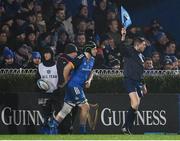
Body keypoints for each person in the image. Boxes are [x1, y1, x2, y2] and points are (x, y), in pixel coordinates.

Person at [48, 41, 97, 134]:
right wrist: (66, 81)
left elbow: (92, 72)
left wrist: (89, 80)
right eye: (94, 48)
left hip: (79, 87)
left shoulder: (92, 60)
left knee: (66, 109)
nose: (96, 50)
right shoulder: (80, 58)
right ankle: (83, 131)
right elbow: (67, 68)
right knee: (85, 106)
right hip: (74, 86)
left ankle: (52, 125)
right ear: (88, 49)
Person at [119, 28, 148, 134]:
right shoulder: (130, 51)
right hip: (129, 80)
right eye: (143, 44)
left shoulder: (142, 56)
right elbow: (121, 48)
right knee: (135, 103)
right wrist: (123, 36)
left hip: (138, 82)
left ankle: (128, 128)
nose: (145, 46)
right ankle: (125, 127)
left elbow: (141, 71)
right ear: (138, 44)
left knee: (135, 106)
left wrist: (144, 84)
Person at [36, 47, 58, 133]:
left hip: (55, 93)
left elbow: (61, 78)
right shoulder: (40, 66)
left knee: (56, 113)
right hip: (43, 94)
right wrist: (40, 87)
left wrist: (58, 89)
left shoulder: (57, 65)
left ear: (52, 54)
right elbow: (37, 79)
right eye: (44, 53)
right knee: (45, 114)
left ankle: (55, 130)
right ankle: (45, 131)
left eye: (48, 53)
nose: (46, 55)